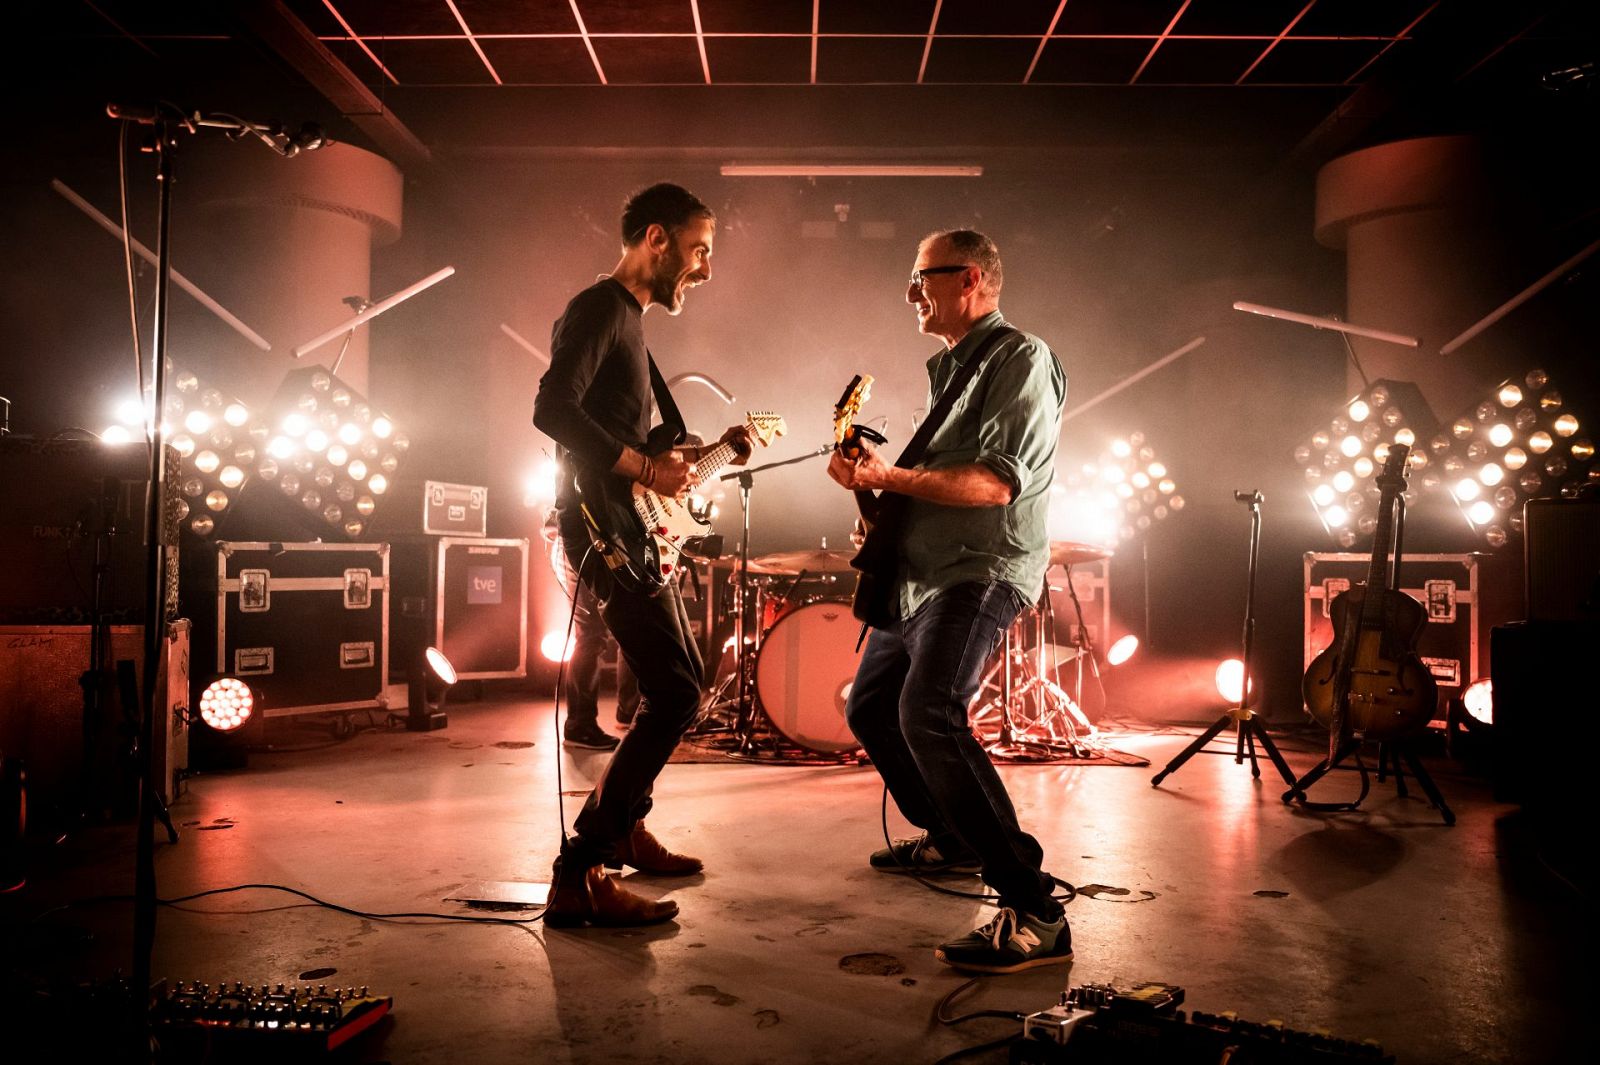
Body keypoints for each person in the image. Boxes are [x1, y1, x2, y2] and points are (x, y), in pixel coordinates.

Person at [826, 228, 1069, 974]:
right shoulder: (951, 374)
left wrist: (889, 477)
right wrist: (872, 486)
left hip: (979, 569)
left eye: (919, 279)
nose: (910, 295)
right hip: (921, 577)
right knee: (871, 707)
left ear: (967, 279)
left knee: (927, 712)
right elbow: (925, 493)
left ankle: (1033, 908)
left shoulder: (1019, 359)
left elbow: (994, 485)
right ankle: (958, 836)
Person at [533, 183, 751, 927]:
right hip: (601, 531)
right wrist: (640, 465)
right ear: (656, 238)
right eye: (700, 250)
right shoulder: (600, 308)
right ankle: (579, 869)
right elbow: (551, 409)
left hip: (629, 527)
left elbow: (624, 435)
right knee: (679, 691)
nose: (706, 269)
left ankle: (623, 824)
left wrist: (679, 454)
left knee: (682, 680)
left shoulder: (629, 323)